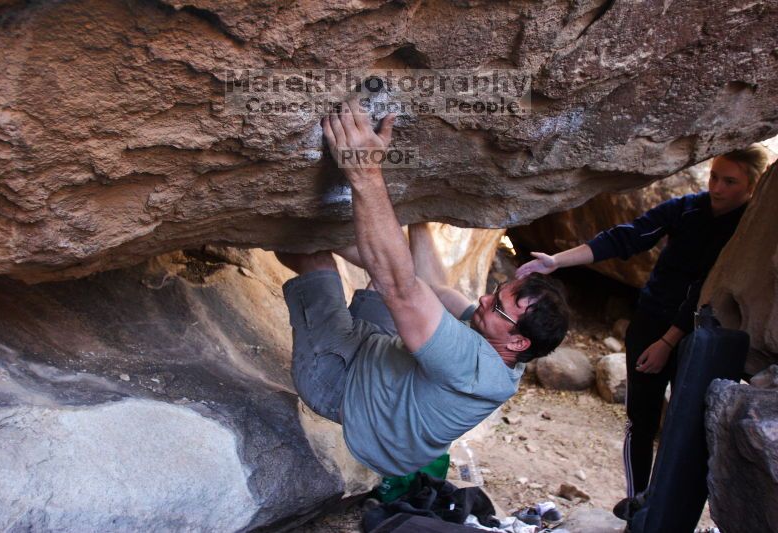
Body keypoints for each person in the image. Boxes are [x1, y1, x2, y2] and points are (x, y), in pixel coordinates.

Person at [275, 100, 570, 477]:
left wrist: (364, 170)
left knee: (316, 257)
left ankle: (270, 226)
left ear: (518, 342)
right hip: (384, 365)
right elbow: (434, 286)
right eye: (496, 290)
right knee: (400, 280)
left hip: (341, 386)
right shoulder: (504, 348)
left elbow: (399, 286)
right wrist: (418, 209)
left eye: (496, 306)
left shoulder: (473, 366)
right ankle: (333, 231)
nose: (482, 299)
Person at [515, 144, 770, 503]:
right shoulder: (689, 208)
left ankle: (666, 508)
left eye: (730, 182)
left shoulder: (745, 231)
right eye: (714, 176)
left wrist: (667, 343)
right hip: (650, 322)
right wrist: (555, 262)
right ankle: (637, 502)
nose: (716, 187)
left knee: (684, 428)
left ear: (752, 188)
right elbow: (627, 237)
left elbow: (706, 290)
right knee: (641, 420)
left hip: (698, 336)